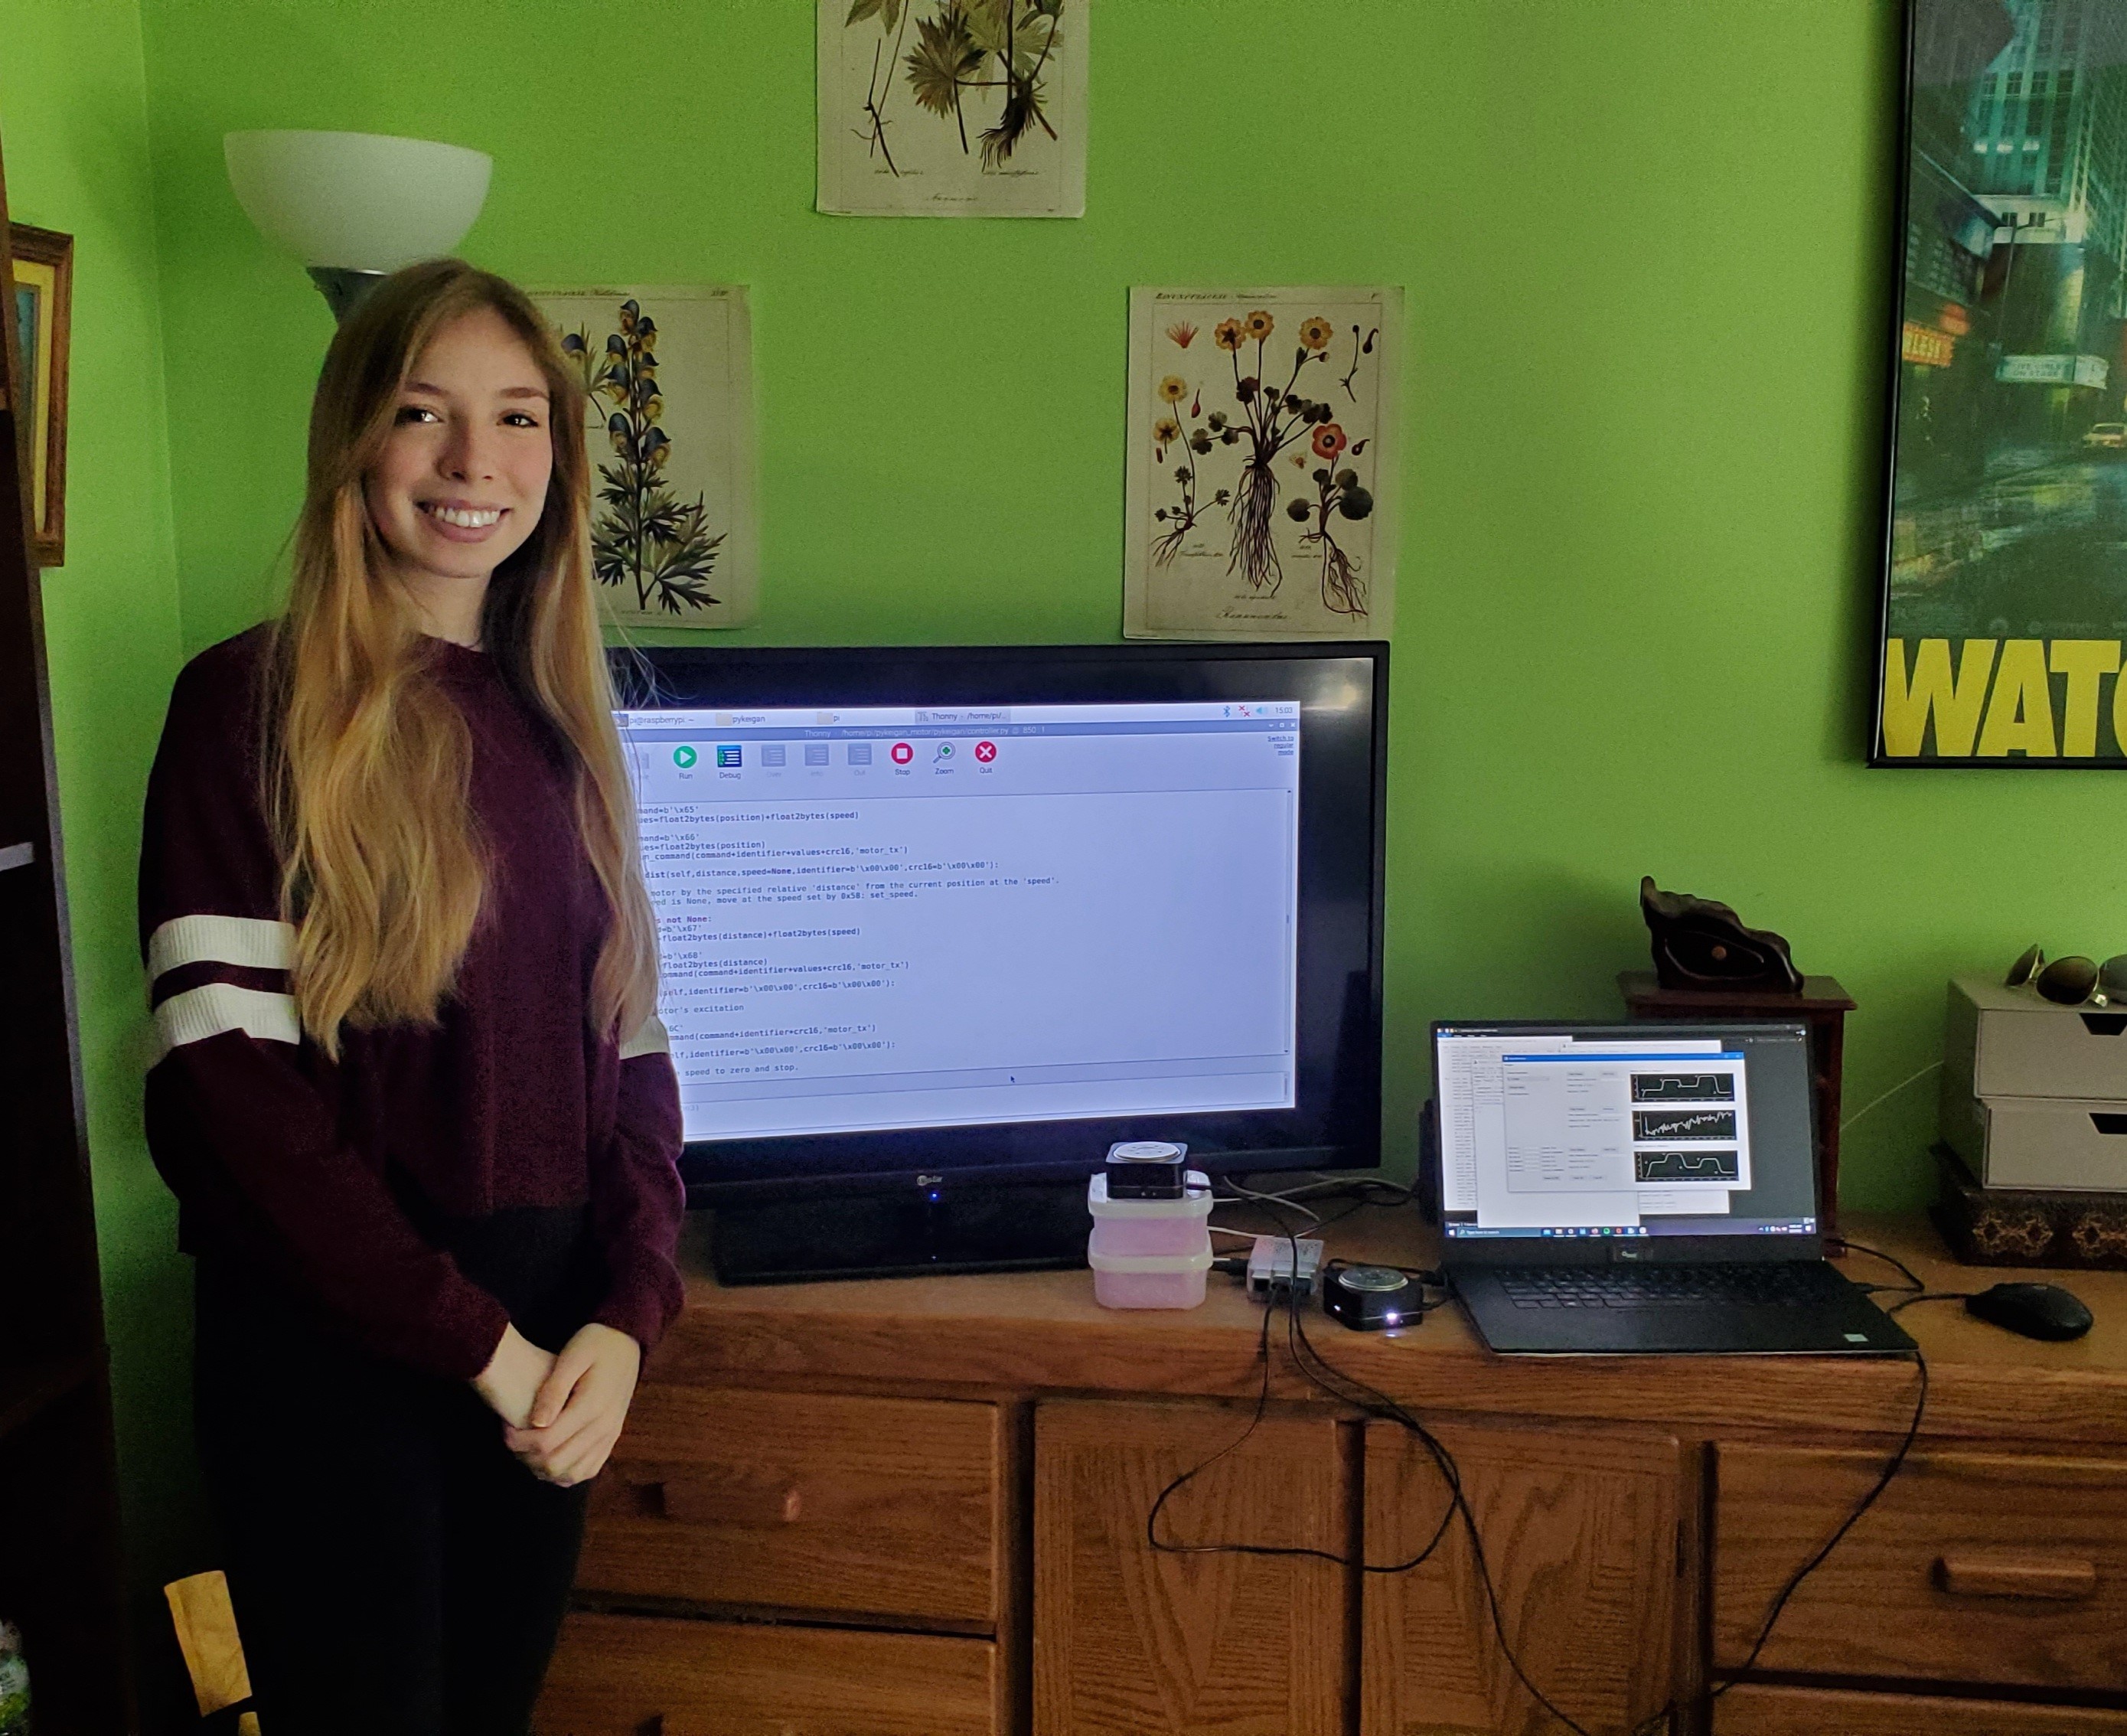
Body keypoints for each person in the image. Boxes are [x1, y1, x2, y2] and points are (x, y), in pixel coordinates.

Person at [138, 259, 684, 1736]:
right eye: (423, 413)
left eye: (516, 418)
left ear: (558, 458)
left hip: (548, 1360)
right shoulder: (243, 710)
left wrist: (626, 1321)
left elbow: (632, 1052)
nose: (474, 464)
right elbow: (229, 1098)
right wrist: (483, 1353)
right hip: (336, 1361)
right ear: (353, 445)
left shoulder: (564, 724)